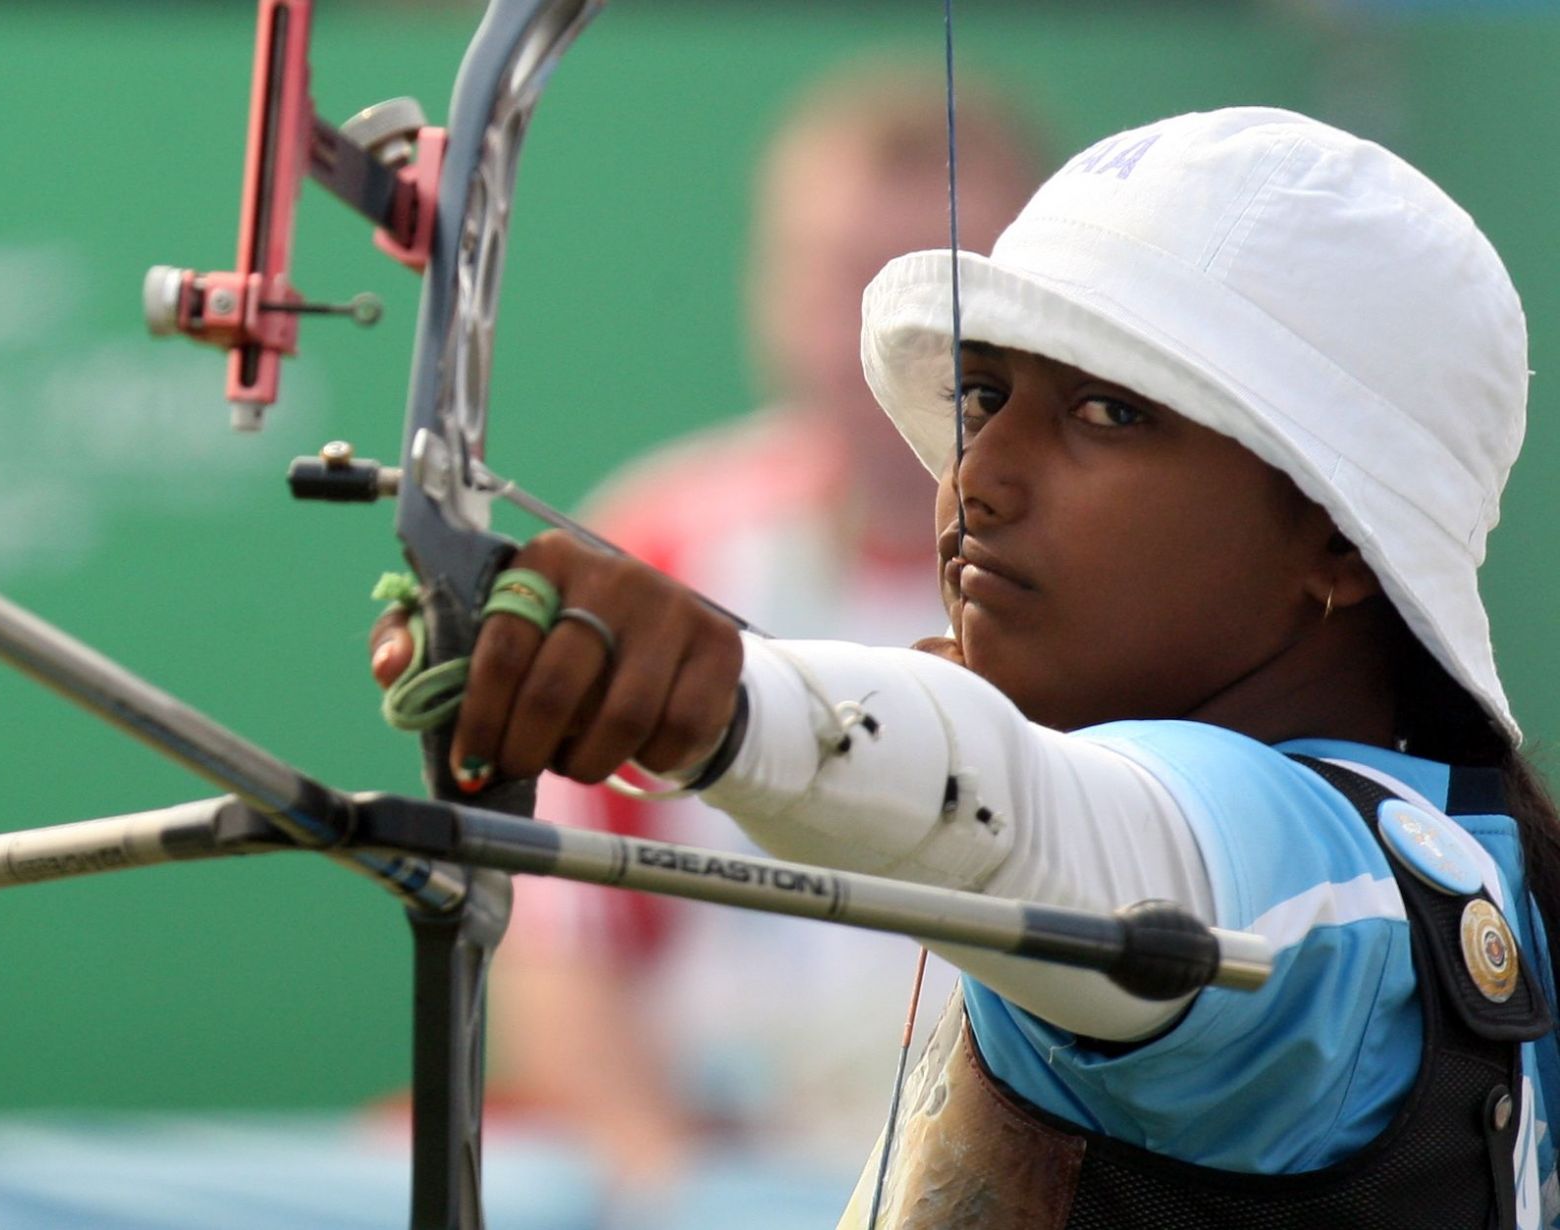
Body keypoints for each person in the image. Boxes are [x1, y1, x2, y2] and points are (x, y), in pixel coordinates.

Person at [373, 105, 1560, 1226]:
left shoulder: (1309, 880)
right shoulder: (1422, 852)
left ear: (1340, 541)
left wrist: (730, 705)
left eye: (1108, 415)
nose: (978, 475)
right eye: (984, 396)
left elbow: (1068, 830)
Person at [490, 62, 1047, 1197]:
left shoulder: (1122, 602)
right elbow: (560, 954)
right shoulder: (658, 549)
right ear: (768, 285)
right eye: (838, 282)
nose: (880, 349)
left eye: (935, 303)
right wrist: (671, 1195)